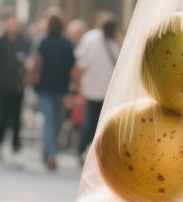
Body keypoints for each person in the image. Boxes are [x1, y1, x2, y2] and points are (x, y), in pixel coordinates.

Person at [33, 10, 74, 171]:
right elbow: (72, 67)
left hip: (44, 87)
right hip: (61, 89)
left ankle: (47, 153)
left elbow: (37, 65)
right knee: (55, 122)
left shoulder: (43, 43)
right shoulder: (67, 44)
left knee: (50, 122)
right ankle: (51, 154)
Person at [74, 14, 120, 156]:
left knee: (89, 119)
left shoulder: (91, 38)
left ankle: (82, 149)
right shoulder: (115, 44)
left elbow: (80, 62)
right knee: (102, 123)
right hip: (108, 90)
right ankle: (96, 151)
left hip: (91, 87)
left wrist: (77, 83)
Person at [0, 9, 29, 161]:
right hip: (2, 85)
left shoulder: (23, 41)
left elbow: (28, 60)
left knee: (17, 115)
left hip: (19, 86)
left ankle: (15, 143)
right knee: (3, 115)